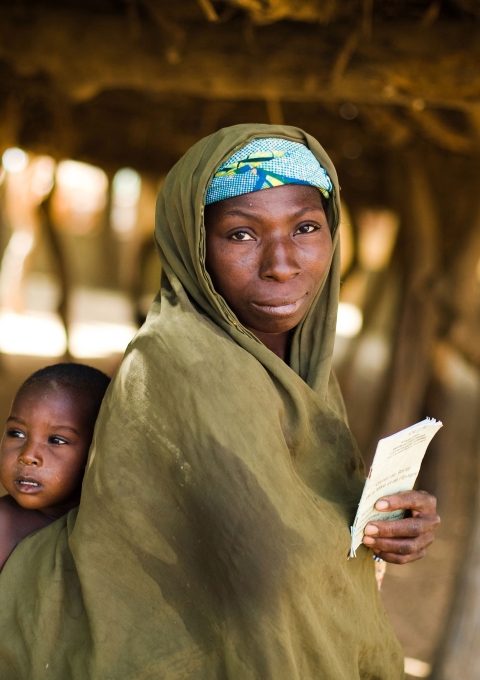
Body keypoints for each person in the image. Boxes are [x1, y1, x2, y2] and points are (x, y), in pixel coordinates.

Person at [0, 125, 440, 679]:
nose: (281, 263)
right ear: (194, 244)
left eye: (305, 227)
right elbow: (266, 562)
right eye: (240, 235)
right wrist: (344, 539)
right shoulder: (184, 361)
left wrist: (386, 526)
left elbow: (308, 520)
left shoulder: (299, 369)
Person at [0, 363, 110, 571]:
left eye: (56, 440)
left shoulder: (112, 523)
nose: (28, 455)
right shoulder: (4, 524)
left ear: (96, 449)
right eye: (17, 433)